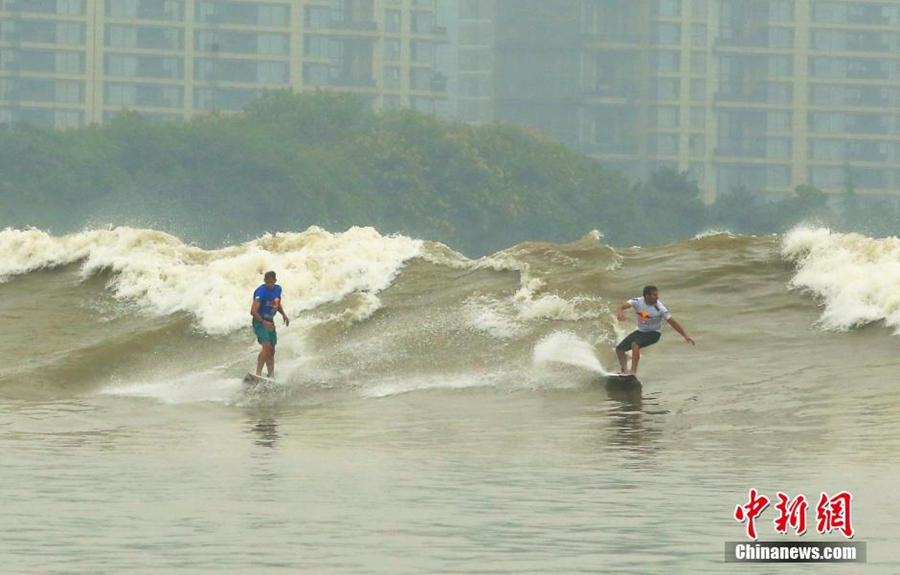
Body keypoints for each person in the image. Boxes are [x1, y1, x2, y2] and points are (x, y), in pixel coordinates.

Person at [615, 285, 694, 374]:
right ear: (647, 296)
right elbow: (622, 305)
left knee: (635, 344)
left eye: (657, 295)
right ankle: (624, 370)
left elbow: (673, 322)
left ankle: (633, 372)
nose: (657, 297)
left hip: (654, 333)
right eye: (654, 295)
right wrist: (620, 312)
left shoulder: (660, 308)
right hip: (641, 331)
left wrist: (685, 335)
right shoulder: (637, 301)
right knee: (619, 349)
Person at [250, 270, 289, 378]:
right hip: (260, 321)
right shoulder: (260, 292)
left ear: (275, 281)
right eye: (267, 282)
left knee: (271, 350)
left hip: (270, 322)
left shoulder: (278, 289)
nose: (269, 284)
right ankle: (257, 374)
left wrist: (283, 314)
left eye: (271, 282)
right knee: (266, 346)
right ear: (265, 282)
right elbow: (253, 311)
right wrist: (263, 322)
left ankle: (270, 376)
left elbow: (276, 303)